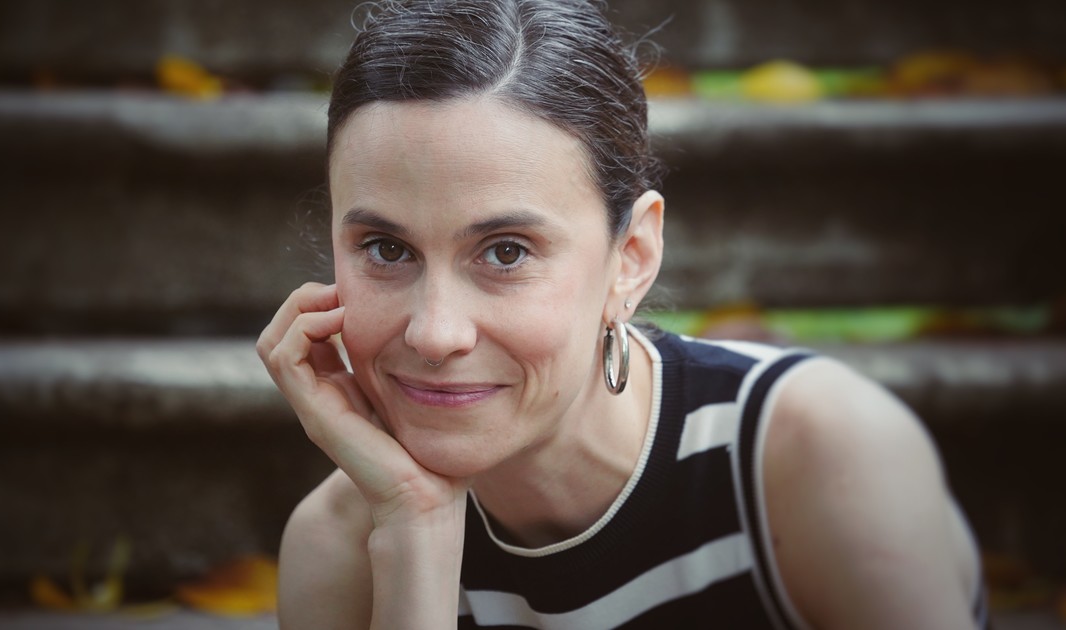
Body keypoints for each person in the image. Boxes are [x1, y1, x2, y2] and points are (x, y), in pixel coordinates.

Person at [256, 0, 989, 627]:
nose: (435, 332)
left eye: (506, 253)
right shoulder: (344, 543)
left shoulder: (817, 458)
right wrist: (416, 530)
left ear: (632, 256)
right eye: (386, 249)